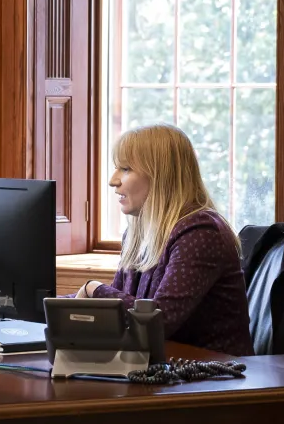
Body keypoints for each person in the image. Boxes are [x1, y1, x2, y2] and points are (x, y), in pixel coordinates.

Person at [76, 123, 253, 355]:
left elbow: (159, 322)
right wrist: (49, 307)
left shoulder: (201, 233)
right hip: (164, 371)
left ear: (160, 176)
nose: (113, 180)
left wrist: (95, 289)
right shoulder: (138, 232)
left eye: (126, 169)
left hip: (214, 379)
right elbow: (119, 310)